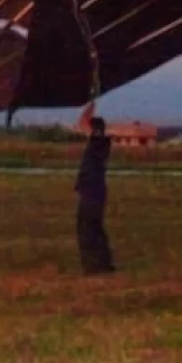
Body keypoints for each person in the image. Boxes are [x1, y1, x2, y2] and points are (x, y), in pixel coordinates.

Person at [74, 115, 115, 275]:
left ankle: (94, 265)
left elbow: (89, 170)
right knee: (94, 227)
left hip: (92, 192)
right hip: (94, 191)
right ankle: (101, 264)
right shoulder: (100, 145)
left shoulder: (97, 145)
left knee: (88, 228)